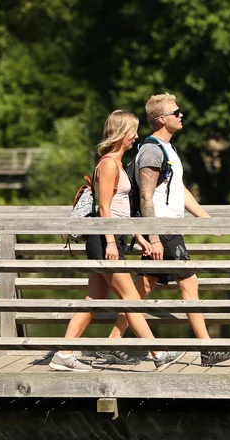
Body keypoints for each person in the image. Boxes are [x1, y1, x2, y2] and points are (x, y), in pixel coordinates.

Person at [97, 94, 230, 367]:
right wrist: (153, 236)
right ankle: (207, 349)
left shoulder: (168, 149)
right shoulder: (151, 151)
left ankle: (112, 345)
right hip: (161, 228)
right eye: (177, 112)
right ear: (161, 119)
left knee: (143, 287)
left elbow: (179, 190)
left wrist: (205, 218)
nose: (181, 115)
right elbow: (146, 198)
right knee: (189, 282)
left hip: (165, 228)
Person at [49, 110, 185, 372]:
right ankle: (158, 353)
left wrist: (138, 237)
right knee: (131, 299)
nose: (136, 136)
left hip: (112, 239)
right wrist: (111, 243)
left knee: (93, 301)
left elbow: (123, 209)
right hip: (104, 241)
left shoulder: (117, 163)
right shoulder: (109, 164)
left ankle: (63, 354)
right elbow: (104, 208)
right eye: (132, 131)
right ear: (121, 133)